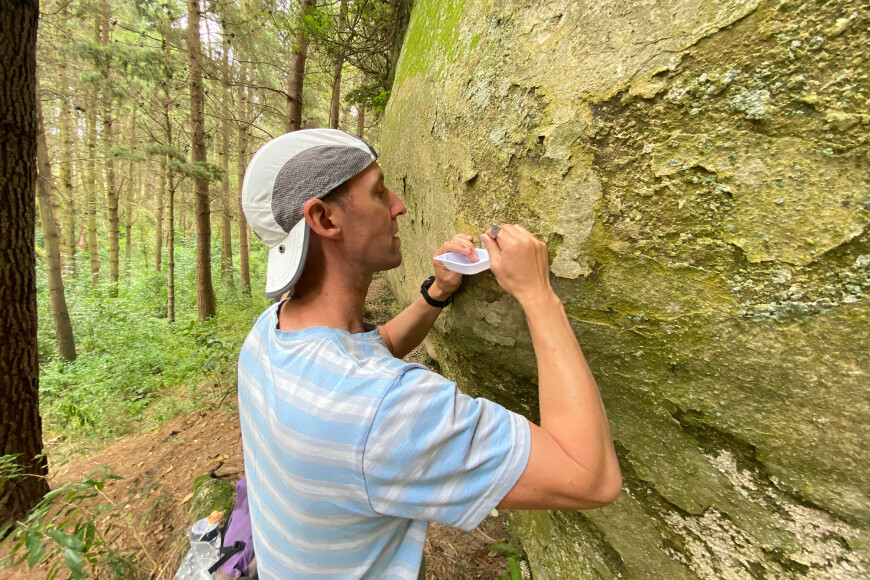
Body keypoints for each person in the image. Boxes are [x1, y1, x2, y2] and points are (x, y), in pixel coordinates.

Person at [237, 129, 622, 579]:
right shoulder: (383, 410)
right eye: (380, 192)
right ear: (324, 220)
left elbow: (368, 355)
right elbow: (590, 476)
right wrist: (537, 295)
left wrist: (438, 291)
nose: (400, 204)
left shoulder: (269, 333)